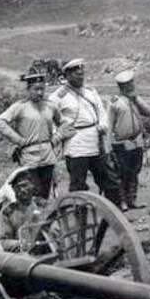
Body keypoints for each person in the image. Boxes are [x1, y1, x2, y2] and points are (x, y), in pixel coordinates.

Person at [47, 58, 121, 207]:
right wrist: (59, 134)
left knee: (109, 180)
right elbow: (50, 120)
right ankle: (80, 215)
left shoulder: (91, 92)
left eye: (82, 74)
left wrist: (103, 125)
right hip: (76, 144)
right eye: (76, 75)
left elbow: (101, 112)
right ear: (67, 76)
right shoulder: (57, 97)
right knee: (78, 183)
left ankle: (116, 212)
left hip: (95, 141)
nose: (80, 77)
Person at [0, 72, 74, 199]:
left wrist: (56, 138)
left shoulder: (50, 106)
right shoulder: (20, 107)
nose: (39, 92)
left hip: (48, 156)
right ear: (28, 90)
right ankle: (32, 216)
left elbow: (64, 123)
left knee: (46, 193)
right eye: (36, 89)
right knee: (33, 191)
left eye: (42, 89)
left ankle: (43, 216)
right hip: (29, 157)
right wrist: (18, 140)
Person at [109, 70, 150, 211]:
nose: (131, 86)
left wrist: (136, 99)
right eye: (128, 85)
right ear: (122, 86)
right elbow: (109, 125)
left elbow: (149, 112)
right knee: (122, 173)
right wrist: (109, 145)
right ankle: (122, 201)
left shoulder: (135, 99)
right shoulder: (115, 102)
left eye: (131, 83)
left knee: (135, 171)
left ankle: (132, 199)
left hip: (137, 140)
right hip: (122, 142)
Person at [0, 167, 47, 251]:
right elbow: (3, 241)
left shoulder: (43, 205)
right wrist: (20, 244)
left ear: (32, 185)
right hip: (23, 256)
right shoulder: (8, 212)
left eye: (25, 185)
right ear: (13, 189)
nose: (22, 190)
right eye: (18, 187)